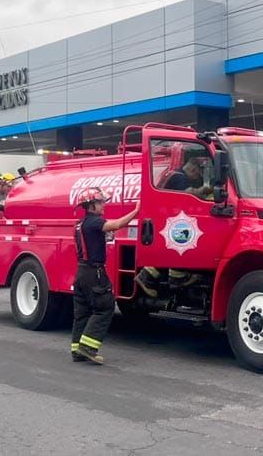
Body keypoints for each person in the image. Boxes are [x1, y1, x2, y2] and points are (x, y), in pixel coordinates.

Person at [71, 187, 140, 365]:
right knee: (104, 307)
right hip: (95, 272)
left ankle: (77, 350)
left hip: (81, 272)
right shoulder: (94, 222)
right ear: (91, 205)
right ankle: (88, 349)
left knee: (83, 312)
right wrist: (136, 211)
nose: (104, 205)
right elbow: (116, 225)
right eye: (101, 202)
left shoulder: (80, 224)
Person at [135, 156, 210, 298]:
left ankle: (151, 278)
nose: (197, 176)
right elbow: (189, 193)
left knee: (173, 247)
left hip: (164, 218)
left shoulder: (173, 174)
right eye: (198, 173)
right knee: (182, 242)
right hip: (171, 219)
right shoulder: (180, 178)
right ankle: (174, 278)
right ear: (193, 167)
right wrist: (205, 190)